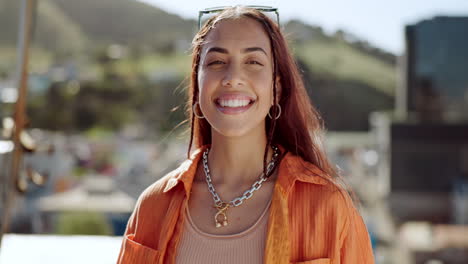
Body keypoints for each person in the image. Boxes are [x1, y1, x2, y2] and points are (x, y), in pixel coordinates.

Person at [117, 6, 374, 264]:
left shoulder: (327, 205)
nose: (233, 77)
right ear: (197, 86)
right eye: (217, 62)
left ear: (276, 89)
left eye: (253, 62)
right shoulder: (153, 206)